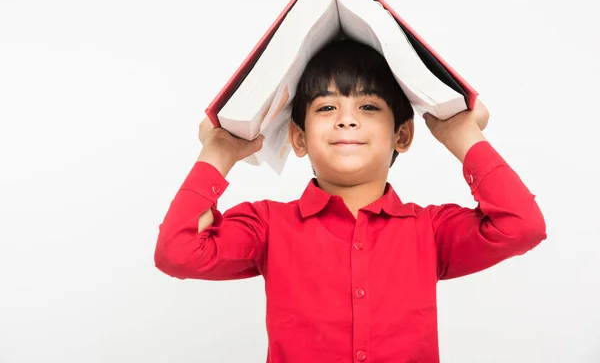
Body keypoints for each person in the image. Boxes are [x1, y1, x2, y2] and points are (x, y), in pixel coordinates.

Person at [154, 39, 546, 363]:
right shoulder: (268, 226)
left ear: (402, 136)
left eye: (369, 107)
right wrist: (219, 151)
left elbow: (521, 227)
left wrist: (463, 135)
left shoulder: (430, 230)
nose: (346, 120)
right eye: (326, 108)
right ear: (299, 138)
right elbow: (178, 252)